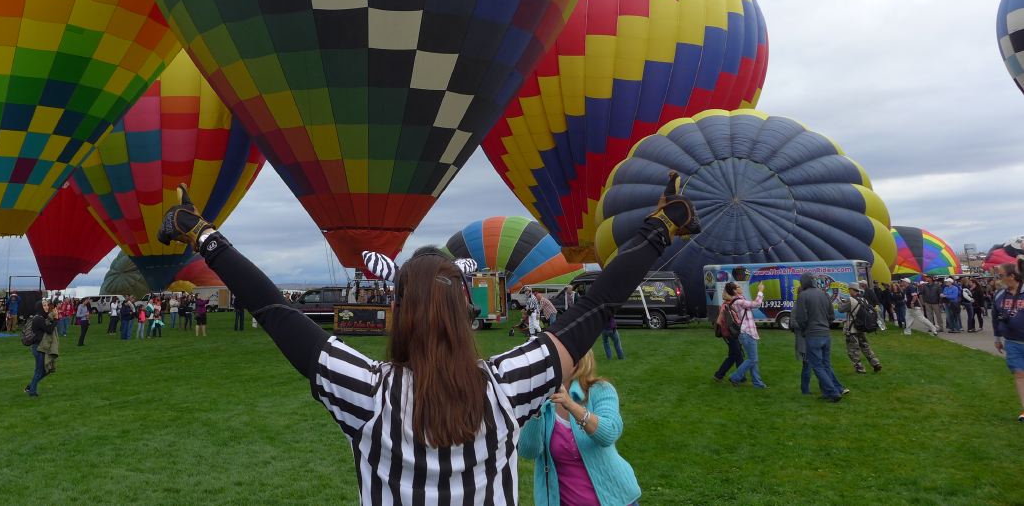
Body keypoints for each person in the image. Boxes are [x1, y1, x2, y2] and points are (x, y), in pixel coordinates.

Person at [155, 172, 698, 505]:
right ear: (467, 313)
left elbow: (274, 310)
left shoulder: (365, 391)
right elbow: (597, 305)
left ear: (399, 313)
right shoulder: (508, 386)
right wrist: (659, 229)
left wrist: (203, 234)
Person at [517, 350, 641, 506]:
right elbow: (528, 451)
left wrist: (570, 405)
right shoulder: (541, 401)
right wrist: (535, 411)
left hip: (615, 499)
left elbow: (609, 433)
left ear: (578, 361)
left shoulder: (600, 390)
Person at [792, 273, 848, 402]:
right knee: (826, 365)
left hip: (813, 335)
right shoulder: (824, 294)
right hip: (826, 334)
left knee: (817, 366)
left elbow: (801, 318)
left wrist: (806, 331)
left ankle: (833, 392)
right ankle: (827, 392)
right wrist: (825, 326)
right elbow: (831, 316)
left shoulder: (803, 296)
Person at [991, 268, 1024, 423]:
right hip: (1012, 342)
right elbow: (995, 318)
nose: (999, 278)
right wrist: (997, 338)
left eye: (1002, 275)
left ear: (1012, 276)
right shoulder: (999, 295)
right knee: (1019, 374)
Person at [727, 281, 767, 388]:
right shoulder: (738, 302)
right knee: (753, 359)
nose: (740, 288)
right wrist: (760, 291)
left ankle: (757, 383)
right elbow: (756, 304)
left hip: (746, 333)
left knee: (752, 359)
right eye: (738, 287)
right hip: (747, 333)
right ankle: (735, 377)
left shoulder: (738, 300)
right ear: (735, 290)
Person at [837, 282, 882, 374]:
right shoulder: (863, 299)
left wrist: (840, 302)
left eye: (849, 289)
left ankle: (860, 368)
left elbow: (841, 309)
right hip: (861, 327)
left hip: (852, 328)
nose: (848, 291)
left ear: (851, 290)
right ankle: (875, 363)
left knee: (853, 350)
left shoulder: (850, 300)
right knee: (865, 346)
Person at [25, 301, 58, 397]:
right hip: (39, 348)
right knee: (40, 370)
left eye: (47, 305)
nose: (47, 307)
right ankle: (32, 392)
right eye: (44, 305)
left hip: (41, 347)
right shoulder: (38, 319)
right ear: (40, 307)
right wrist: (56, 319)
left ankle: (30, 387)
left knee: (44, 370)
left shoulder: (41, 317)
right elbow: (49, 330)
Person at [713, 282, 744, 383]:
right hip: (730, 334)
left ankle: (720, 375)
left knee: (735, 355)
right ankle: (738, 376)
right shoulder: (727, 305)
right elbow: (722, 321)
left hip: (730, 334)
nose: (739, 289)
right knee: (737, 355)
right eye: (736, 288)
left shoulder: (729, 303)